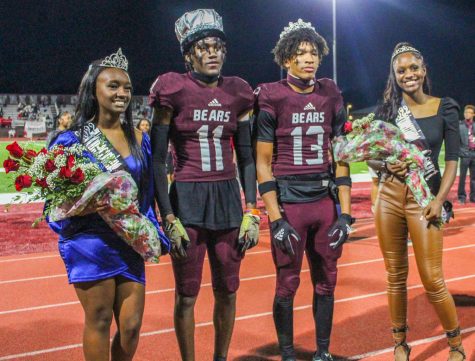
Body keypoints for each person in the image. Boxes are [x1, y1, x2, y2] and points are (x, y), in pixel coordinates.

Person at [149, 9, 259, 361]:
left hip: (227, 200)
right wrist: (167, 215)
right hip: (187, 201)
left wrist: (252, 209)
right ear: (188, 54)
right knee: (187, 294)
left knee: (228, 290)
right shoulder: (172, 88)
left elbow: (245, 157)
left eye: (218, 46)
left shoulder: (239, 92)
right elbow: (157, 159)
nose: (212, 52)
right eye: (203, 46)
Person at [47, 49, 170, 361]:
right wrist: (83, 206)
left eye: (127, 88)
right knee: (100, 319)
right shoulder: (71, 139)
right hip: (90, 240)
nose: (122, 93)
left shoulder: (139, 139)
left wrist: (152, 230)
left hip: (128, 240)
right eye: (113, 86)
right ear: (94, 90)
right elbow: (55, 200)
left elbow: (146, 194)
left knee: (131, 326)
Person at [255, 19, 352, 361]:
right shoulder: (271, 95)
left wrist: (347, 213)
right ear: (286, 59)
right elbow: (263, 163)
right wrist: (275, 218)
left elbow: (341, 157)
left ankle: (323, 352)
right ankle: (287, 353)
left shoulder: (330, 92)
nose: (308, 59)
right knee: (288, 283)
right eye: (300, 53)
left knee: (327, 281)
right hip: (289, 203)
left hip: (324, 201)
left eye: (313, 52)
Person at [370, 42, 464, 361]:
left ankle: (455, 345)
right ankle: (399, 342)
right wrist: (384, 164)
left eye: (413, 68)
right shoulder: (386, 110)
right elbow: (373, 155)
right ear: (394, 76)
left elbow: (451, 160)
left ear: (423, 71)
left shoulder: (445, 107)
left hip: (425, 199)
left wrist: (440, 200)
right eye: (401, 70)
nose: (408, 74)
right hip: (389, 197)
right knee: (395, 274)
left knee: (432, 279)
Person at [457, 104, 475, 204]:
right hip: (464, 154)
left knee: (474, 178)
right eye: (465, 112)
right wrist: (460, 152)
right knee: (462, 177)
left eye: (469, 112)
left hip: (474, 154)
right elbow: (456, 142)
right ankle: (461, 197)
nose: (466, 114)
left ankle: (473, 197)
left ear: (473, 114)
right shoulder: (460, 126)